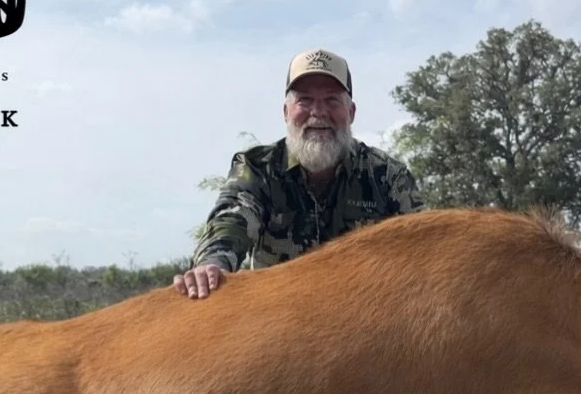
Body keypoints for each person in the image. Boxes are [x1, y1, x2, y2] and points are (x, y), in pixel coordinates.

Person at [173, 48, 425, 299]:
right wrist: (213, 263)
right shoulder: (257, 168)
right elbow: (232, 220)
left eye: (332, 100)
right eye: (304, 100)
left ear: (351, 113)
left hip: (365, 311)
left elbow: (423, 243)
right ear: (286, 112)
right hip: (279, 311)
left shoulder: (388, 175)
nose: (318, 112)